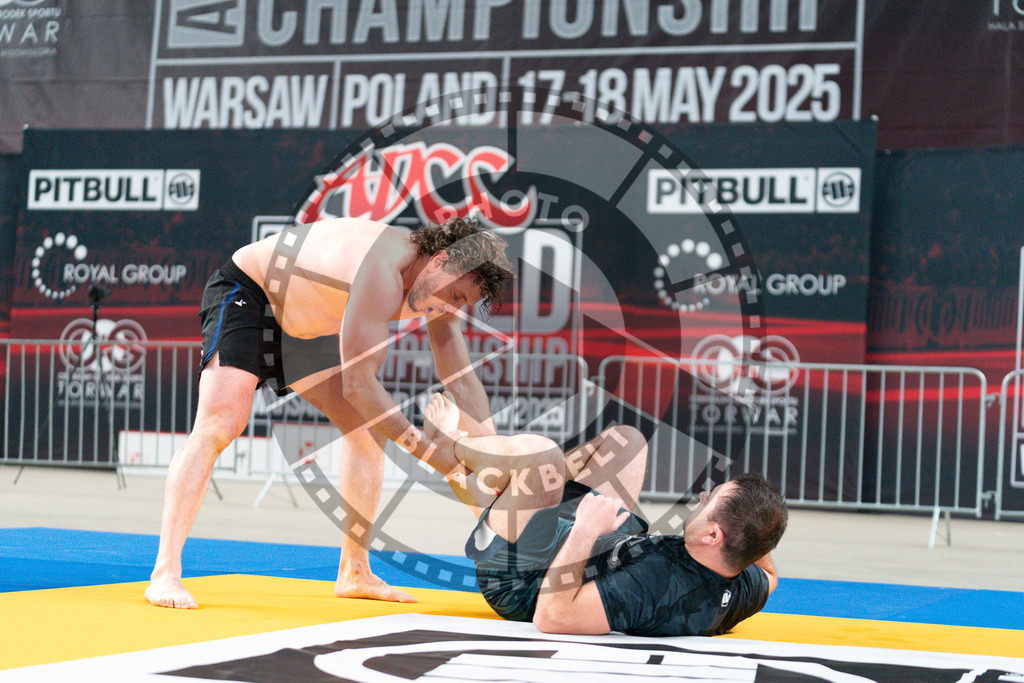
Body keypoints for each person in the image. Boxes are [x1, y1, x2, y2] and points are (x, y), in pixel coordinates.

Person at [145, 217, 514, 609]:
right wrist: (432, 454)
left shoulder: (435, 283)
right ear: (440, 261)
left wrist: (488, 457)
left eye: (463, 303)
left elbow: (460, 380)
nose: (453, 308)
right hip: (250, 294)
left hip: (305, 329)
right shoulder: (383, 268)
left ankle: (355, 572)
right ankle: (164, 573)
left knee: (366, 431)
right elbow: (359, 387)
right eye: (456, 295)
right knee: (221, 423)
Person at [422, 392, 788, 637]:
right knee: (627, 442)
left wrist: (584, 529)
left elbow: (553, 617)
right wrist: (757, 518)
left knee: (538, 454)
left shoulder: (654, 585)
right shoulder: (740, 585)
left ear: (713, 536)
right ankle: (508, 491)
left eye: (710, 500)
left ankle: (447, 442)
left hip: (527, 579)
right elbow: (769, 574)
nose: (701, 496)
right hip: (603, 539)